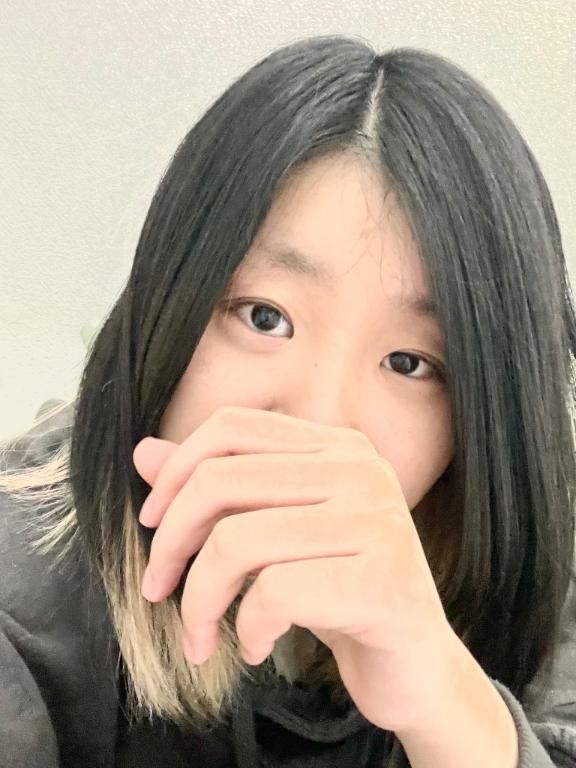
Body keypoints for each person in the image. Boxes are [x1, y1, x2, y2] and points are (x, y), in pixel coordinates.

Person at [1, 34, 575, 768]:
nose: (317, 422)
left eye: (408, 363)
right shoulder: (23, 605)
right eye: (264, 316)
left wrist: (456, 716)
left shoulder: (538, 576)